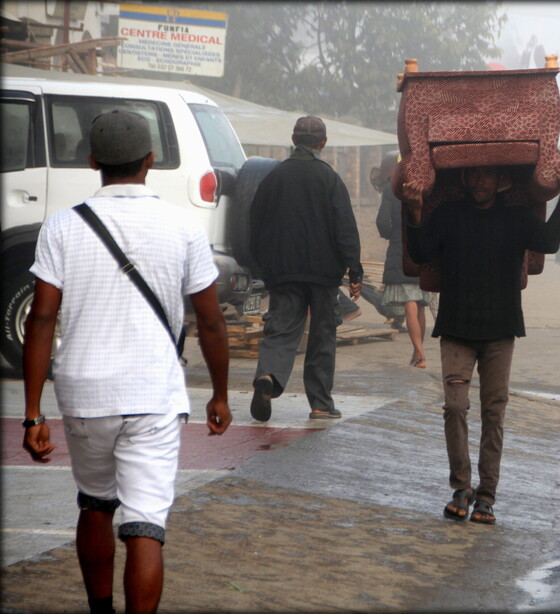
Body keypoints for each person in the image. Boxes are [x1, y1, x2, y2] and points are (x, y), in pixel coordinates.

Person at [22, 109, 232, 614]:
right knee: (145, 526)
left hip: (84, 392)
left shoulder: (61, 227)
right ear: (151, 160)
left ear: (92, 160)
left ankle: (99, 610)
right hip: (153, 395)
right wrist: (219, 394)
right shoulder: (183, 227)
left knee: (94, 503)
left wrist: (33, 412)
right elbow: (210, 322)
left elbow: (42, 320)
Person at [402, 161, 560, 524]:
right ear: (464, 177)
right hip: (455, 329)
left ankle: (486, 496)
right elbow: (420, 253)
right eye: (473, 173)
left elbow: (547, 241)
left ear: (502, 179)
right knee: (454, 407)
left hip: (500, 330)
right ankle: (461, 487)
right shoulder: (449, 214)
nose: (479, 180)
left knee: (493, 413)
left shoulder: (515, 218)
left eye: (487, 174)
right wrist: (415, 212)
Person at [248, 115, 363, 421]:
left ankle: (269, 376)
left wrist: (260, 266)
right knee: (322, 335)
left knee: (281, 329)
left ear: (293, 139)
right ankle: (321, 404)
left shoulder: (274, 177)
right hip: (324, 275)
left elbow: (254, 224)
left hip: (283, 271)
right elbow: (345, 228)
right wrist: (355, 270)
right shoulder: (329, 178)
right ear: (323, 143)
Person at [375, 150, 433, 368]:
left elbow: (382, 223)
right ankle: (418, 352)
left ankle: (419, 354)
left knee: (410, 304)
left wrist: (394, 235)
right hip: (423, 250)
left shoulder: (392, 190)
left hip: (401, 252)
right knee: (419, 304)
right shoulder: (427, 187)